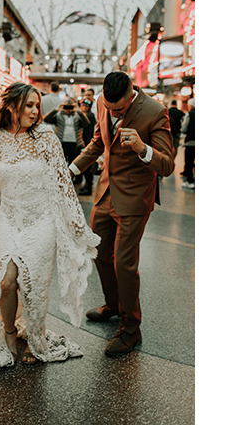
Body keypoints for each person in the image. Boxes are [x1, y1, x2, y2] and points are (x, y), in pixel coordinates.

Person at [0, 82, 100, 377]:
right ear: (11, 106)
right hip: (10, 221)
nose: (35, 111)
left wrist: (79, 226)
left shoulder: (46, 138)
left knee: (34, 288)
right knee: (6, 282)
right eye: (29, 105)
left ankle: (36, 340)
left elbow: (64, 184)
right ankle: (10, 332)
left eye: (37, 106)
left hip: (42, 221)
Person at [68, 71, 175, 356]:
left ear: (132, 94)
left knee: (124, 263)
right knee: (100, 253)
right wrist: (71, 170)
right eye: (109, 107)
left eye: (120, 109)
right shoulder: (103, 102)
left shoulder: (155, 112)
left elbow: (167, 165)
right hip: (105, 193)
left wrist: (142, 148)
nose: (113, 112)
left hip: (134, 198)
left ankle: (131, 327)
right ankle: (113, 305)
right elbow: (97, 143)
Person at [43, 96, 84, 167]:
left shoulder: (77, 116)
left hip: (74, 143)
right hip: (62, 142)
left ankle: (75, 177)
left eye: (70, 107)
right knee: (61, 163)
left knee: (74, 163)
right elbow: (46, 119)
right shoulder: (58, 116)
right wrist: (56, 110)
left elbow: (86, 124)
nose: (68, 110)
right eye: (66, 107)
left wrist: (79, 111)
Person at [77, 97, 97, 195]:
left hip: (87, 143)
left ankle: (88, 187)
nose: (84, 107)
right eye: (82, 105)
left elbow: (89, 132)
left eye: (86, 105)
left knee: (88, 167)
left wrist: (87, 144)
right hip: (82, 143)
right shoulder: (81, 115)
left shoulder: (90, 116)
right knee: (84, 167)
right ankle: (86, 185)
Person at [181, 98, 195, 189]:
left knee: (189, 162)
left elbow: (184, 128)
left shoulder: (189, 115)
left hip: (191, 142)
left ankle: (190, 181)